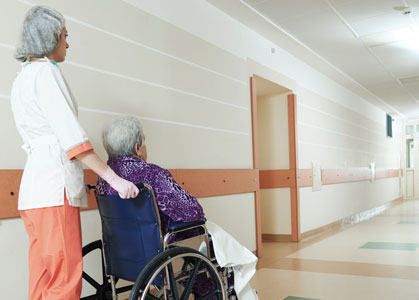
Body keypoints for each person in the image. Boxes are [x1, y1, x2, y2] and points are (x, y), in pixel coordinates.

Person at [10, 6, 139, 300]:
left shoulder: (22, 79)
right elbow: (74, 140)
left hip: (33, 194)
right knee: (65, 282)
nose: (67, 43)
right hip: (54, 191)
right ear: (49, 37)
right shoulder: (46, 72)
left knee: (42, 279)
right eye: (65, 36)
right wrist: (115, 180)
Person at [96, 116, 259, 300]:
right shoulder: (151, 174)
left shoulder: (104, 180)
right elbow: (193, 213)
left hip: (123, 253)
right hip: (160, 249)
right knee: (210, 241)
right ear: (137, 148)